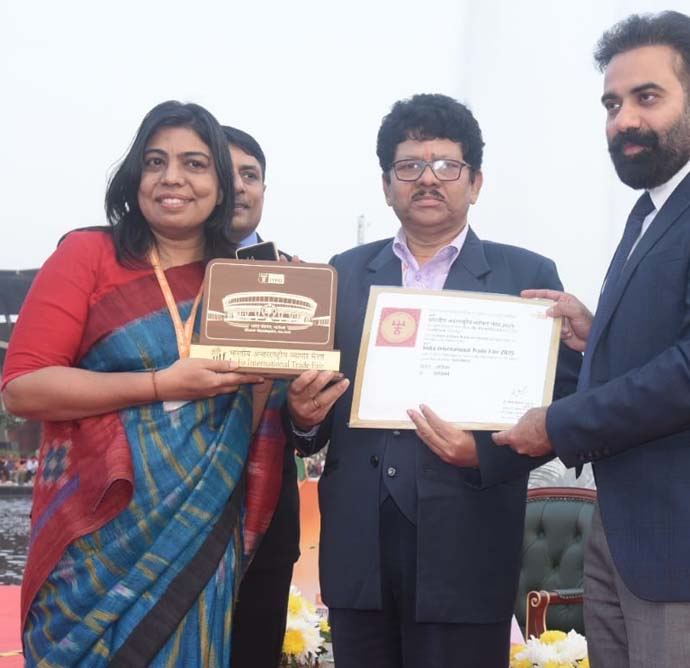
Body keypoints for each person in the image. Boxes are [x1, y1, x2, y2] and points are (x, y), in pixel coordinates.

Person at [493, 11, 690, 668]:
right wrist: (592, 332)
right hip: (625, 537)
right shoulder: (653, 211)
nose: (623, 120)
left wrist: (556, 424)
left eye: (646, 97)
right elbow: (669, 342)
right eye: (612, 104)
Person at [283, 93, 581, 668]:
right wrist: (302, 416)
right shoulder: (342, 274)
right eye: (409, 166)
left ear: (475, 182)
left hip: (468, 543)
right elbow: (310, 414)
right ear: (386, 185)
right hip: (359, 549)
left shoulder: (527, 276)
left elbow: (563, 405)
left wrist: (483, 453)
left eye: (447, 165)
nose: (427, 178)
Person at [1, 100, 288, 666]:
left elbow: (248, 424)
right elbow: (23, 387)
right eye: (155, 162)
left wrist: (286, 393)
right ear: (135, 176)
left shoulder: (250, 281)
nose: (172, 177)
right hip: (95, 536)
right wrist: (160, 384)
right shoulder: (89, 255)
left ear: (222, 185)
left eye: (194, 164)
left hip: (200, 530)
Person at [223, 125, 301, 668]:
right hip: (166, 500)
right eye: (224, 173)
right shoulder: (155, 276)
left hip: (266, 503)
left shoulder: (299, 280)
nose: (238, 187)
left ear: (264, 190)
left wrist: (306, 407)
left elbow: (317, 413)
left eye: (250, 175)